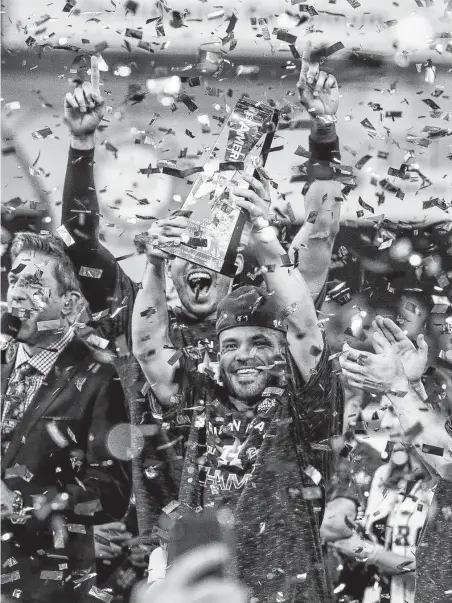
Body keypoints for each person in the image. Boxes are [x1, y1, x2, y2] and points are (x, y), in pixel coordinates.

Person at [59, 49, 344, 540]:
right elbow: (79, 241)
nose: (200, 263)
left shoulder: (262, 318)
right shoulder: (136, 311)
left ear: (234, 268)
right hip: (153, 545)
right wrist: (82, 145)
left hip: (269, 544)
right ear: (168, 265)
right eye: (186, 248)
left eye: (210, 250)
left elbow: (318, 238)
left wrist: (323, 131)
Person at [131, 135, 349, 603]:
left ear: (283, 351)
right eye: (230, 344)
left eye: (259, 342)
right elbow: (150, 351)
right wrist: (152, 265)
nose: (244, 355)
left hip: (287, 591)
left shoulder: (305, 405)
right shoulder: (201, 399)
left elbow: (306, 329)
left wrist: (266, 238)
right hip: (203, 591)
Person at [1, 232, 130, 603]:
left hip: (53, 586)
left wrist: (23, 505)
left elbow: (110, 490)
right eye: (13, 280)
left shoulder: (104, 377)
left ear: (70, 303)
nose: (17, 293)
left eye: (34, 283)